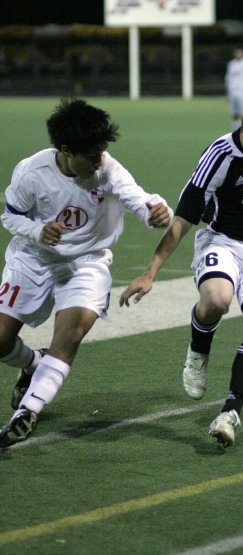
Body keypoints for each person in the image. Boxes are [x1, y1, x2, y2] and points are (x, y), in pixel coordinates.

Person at [120, 99, 243, 449]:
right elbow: (183, 218)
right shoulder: (218, 157)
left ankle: (231, 413)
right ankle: (199, 350)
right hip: (224, 240)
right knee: (216, 300)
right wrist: (150, 272)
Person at [0, 98, 173, 450]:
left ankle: (28, 412)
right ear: (65, 150)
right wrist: (37, 231)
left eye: (102, 152)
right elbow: (10, 215)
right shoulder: (31, 172)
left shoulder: (108, 170)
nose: (100, 160)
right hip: (33, 258)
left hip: (86, 263)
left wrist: (157, 212)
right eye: (91, 155)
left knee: (72, 333)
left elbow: (138, 198)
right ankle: (34, 363)